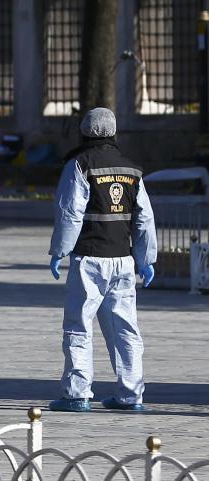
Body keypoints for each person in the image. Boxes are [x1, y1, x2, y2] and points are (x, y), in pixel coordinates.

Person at [47, 107, 157, 412]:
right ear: (114, 132)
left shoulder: (79, 164)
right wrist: (146, 258)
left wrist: (59, 250)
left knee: (79, 325)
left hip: (89, 259)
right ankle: (131, 394)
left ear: (83, 132)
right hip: (123, 261)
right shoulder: (132, 169)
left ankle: (77, 393)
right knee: (125, 329)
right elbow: (144, 217)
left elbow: (70, 212)